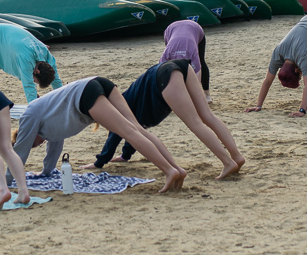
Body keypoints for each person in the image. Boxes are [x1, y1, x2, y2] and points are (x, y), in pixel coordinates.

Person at [7, 76, 187, 193]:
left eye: (35, 142)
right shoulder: (49, 126)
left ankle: (169, 170)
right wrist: (47, 172)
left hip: (85, 93)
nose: (39, 142)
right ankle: (178, 170)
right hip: (96, 83)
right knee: (137, 129)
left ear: (27, 133)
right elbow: (54, 146)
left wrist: (6, 180)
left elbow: (20, 151)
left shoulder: (29, 117)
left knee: (130, 133)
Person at [82, 59, 244, 179]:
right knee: (208, 116)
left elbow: (117, 134)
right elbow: (134, 134)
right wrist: (125, 156)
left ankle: (228, 162)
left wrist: (99, 163)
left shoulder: (117, 107)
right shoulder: (123, 99)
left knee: (195, 123)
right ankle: (236, 157)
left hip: (164, 77)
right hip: (179, 66)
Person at [160, 19, 212, 103]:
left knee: (201, 61)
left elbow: (197, 75)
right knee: (169, 70)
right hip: (171, 29)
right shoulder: (166, 55)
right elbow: (161, 75)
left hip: (194, 28)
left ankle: (206, 94)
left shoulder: (191, 53)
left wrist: (196, 96)